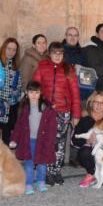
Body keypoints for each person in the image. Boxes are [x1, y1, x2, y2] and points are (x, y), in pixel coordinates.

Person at [32, 42, 82, 186]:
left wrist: (76, 114)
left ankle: (56, 171)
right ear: (50, 53)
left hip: (63, 111)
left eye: (60, 53)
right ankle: (47, 171)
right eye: (55, 53)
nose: (58, 56)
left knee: (60, 143)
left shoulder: (69, 69)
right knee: (48, 142)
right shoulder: (42, 67)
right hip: (47, 111)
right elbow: (35, 88)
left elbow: (75, 93)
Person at [10, 81, 56, 195]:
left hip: (43, 141)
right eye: (31, 92)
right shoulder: (24, 108)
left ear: (40, 93)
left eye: (36, 92)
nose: (34, 95)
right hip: (28, 141)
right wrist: (14, 139)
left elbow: (52, 127)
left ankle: (41, 181)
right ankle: (28, 183)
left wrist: (50, 142)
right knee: (28, 163)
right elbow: (18, 125)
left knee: (42, 162)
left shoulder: (46, 108)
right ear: (26, 93)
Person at [72, 91, 103, 188]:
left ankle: (100, 173)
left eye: (102, 103)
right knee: (84, 152)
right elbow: (74, 140)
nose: (99, 105)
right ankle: (92, 173)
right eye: (96, 102)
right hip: (89, 153)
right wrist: (87, 140)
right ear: (91, 103)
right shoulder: (85, 118)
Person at [0, 38, 22, 144]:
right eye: (9, 49)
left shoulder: (15, 65)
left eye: (14, 50)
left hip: (12, 104)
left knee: (8, 134)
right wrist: (1, 100)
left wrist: (17, 94)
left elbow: (18, 84)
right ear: (4, 48)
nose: (11, 52)